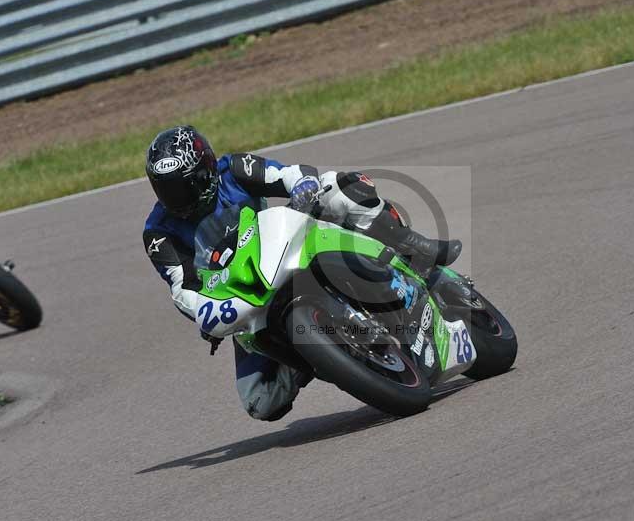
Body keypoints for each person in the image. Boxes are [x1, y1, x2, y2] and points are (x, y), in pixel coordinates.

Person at [143, 126, 461, 421]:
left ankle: (412, 246)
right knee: (261, 400)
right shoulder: (158, 233)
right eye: (166, 191)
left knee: (337, 188)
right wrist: (203, 313)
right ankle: (313, 356)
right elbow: (181, 288)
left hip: (279, 247)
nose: (176, 200)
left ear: (206, 171)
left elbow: (289, 174)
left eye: (185, 187)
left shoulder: (234, 170)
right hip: (242, 294)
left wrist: (304, 185)